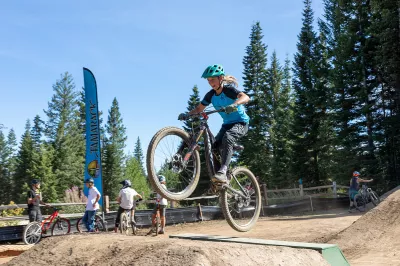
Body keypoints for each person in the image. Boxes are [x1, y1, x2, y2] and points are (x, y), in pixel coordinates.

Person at [178, 64, 250, 183]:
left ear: (221, 78)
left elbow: (245, 97)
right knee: (213, 148)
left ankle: (223, 170)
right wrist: (187, 115)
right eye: (208, 80)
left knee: (228, 137)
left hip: (241, 123)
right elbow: (198, 109)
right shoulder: (211, 95)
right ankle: (220, 177)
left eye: (213, 79)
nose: (211, 82)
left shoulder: (229, 90)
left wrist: (235, 104)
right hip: (226, 125)